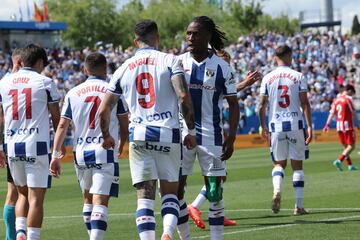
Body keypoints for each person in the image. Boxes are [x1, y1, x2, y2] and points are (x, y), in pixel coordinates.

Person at [98, 20, 197, 240]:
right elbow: (183, 96)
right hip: (167, 134)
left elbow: (104, 109)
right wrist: (190, 131)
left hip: (139, 135)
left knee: (144, 197)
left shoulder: (123, 68)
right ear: (158, 38)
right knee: (170, 193)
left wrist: (106, 136)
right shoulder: (171, 60)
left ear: (135, 41)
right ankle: (168, 233)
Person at [49, 52, 128, 240]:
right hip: (104, 150)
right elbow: (124, 123)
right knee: (100, 200)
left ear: (85, 69)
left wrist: (55, 155)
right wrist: (123, 143)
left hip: (81, 152)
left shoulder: (73, 92)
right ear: (106, 68)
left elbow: (62, 125)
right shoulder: (113, 91)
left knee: (87, 199)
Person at [176, 16, 240, 240]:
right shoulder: (176, 63)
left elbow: (233, 104)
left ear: (208, 37)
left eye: (196, 34)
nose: (191, 38)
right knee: (175, 191)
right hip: (182, 136)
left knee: (214, 191)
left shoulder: (223, 67)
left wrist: (231, 138)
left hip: (212, 137)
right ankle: (184, 237)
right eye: (188, 33)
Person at [185, 48, 261, 230]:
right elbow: (228, 92)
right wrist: (245, 83)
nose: (227, 66)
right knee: (218, 175)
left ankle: (215, 210)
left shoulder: (214, 74)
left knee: (221, 176)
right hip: (207, 132)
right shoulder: (211, 74)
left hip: (210, 129)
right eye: (226, 62)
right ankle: (195, 206)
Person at [0, 44, 62, 240]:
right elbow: (56, 118)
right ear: (40, 62)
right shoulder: (45, 82)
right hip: (36, 145)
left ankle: (20, 234)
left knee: (22, 195)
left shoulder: (4, 81)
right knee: (36, 199)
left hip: (12, 146)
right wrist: (57, 151)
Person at [258, 44, 312, 216]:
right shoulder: (298, 76)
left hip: (276, 126)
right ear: (289, 56)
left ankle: (277, 190)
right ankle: (298, 205)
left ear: (275, 57)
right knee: (297, 166)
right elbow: (305, 103)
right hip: (295, 124)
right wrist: (309, 126)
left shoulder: (267, 78)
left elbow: (261, 105)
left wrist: (263, 125)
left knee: (279, 164)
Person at [2, 48, 23, 240]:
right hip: (28, 141)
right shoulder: (32, 81)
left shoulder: (4, 83)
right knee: (21, 193)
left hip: (11, 142)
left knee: (14, 192)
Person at [323, 84, 359, 171]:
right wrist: (358, 123)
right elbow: (353, 112)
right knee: (351, 146)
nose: (352, 95)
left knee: (346, 147)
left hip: (339, 126)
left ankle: (350, 165)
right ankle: (339, 160)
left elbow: (331, 113)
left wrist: (327, 125)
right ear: (349, 91)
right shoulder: (348, 99)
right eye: (352, 93)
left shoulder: (336, 100)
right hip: (347, 126)